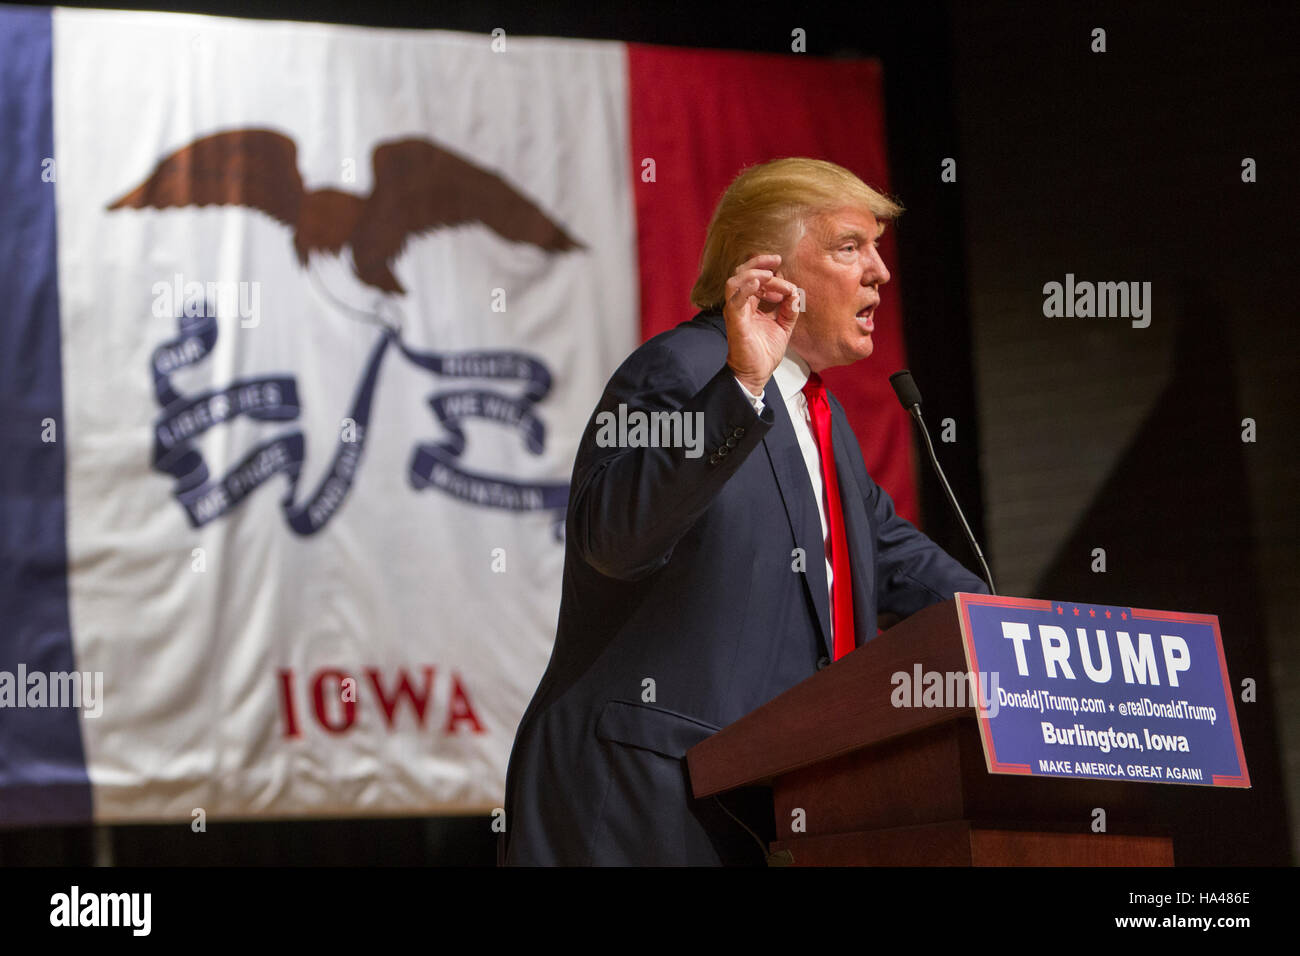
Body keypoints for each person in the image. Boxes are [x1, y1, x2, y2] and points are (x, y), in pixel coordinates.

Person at [501, 157, 988, 866]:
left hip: (759, 804)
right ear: (771, 270)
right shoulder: (677, 370)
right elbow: (612, 536)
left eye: (877, 248)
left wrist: (1027, 641)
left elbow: (898, 560)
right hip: (639, 804)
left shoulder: (824, 423)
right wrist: (739, 387)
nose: (880, 271)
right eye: (850, 247)